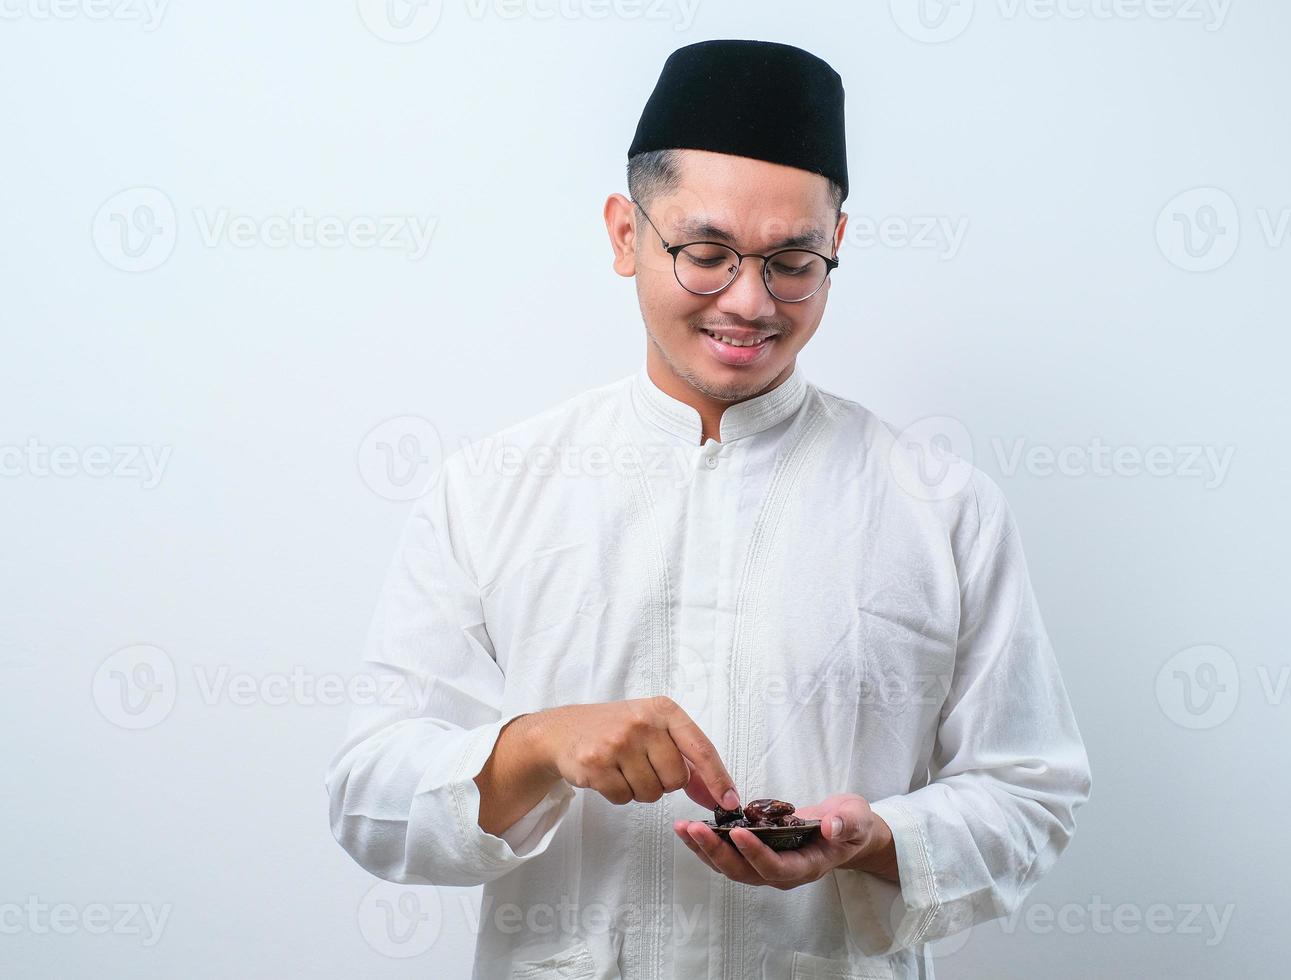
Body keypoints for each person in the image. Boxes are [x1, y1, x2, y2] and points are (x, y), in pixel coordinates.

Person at [325, 38, 1091, 980]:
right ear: (624, 234)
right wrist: (534, 745)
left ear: (837, 247)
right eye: (706, 253)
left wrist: (877, 838)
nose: (749, 301)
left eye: (792, 262)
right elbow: (368, 795)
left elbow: (1033, 791)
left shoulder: (942, 508)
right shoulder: (492, 489)